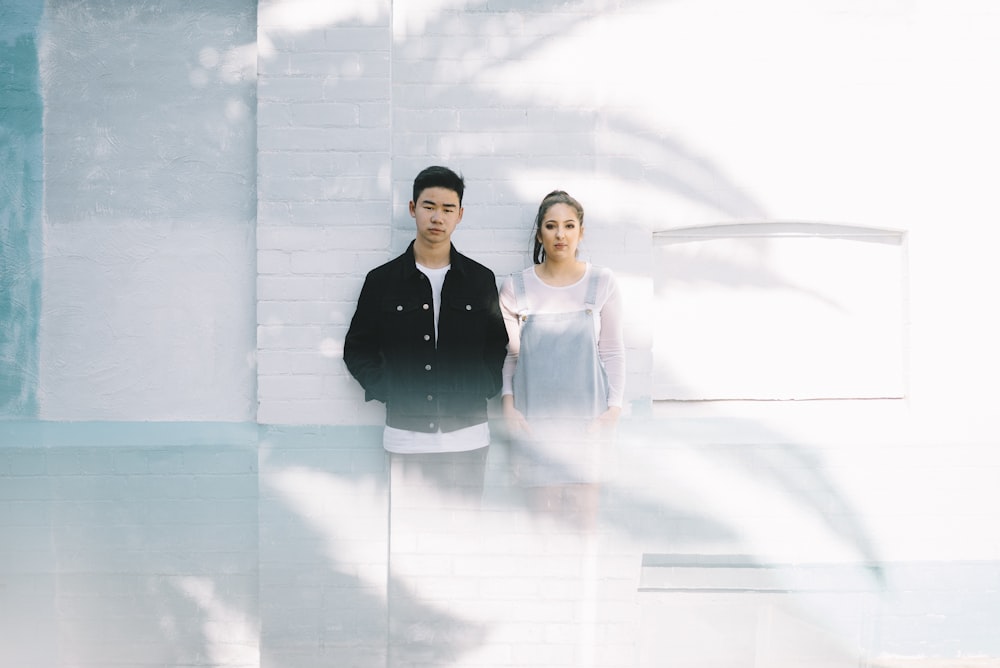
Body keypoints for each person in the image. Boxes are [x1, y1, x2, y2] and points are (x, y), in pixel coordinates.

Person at [343, 166, 508, 500]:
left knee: (462, 535)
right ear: (412, 208)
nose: (438, 217)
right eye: (429, 206)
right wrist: (390, 388)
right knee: (408, 539)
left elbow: (497, 345)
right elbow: (357, 349)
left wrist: (483, 385)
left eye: (448, 209)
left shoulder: (480, 280)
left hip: (468, 436)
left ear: (460, 215)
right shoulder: (382, 281)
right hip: (406, 436)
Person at [500, 190, 625, 528]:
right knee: (544, 526)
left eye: (569, 226)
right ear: (540, 233)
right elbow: (512, 359)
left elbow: (612, 351)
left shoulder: (601, 282)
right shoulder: (516, 288)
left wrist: (612, 410)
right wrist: (509, 408)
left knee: (584, 525)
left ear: (581, 232)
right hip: (535, 423)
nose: (560, 234)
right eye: (551, 226)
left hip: (589, 424)